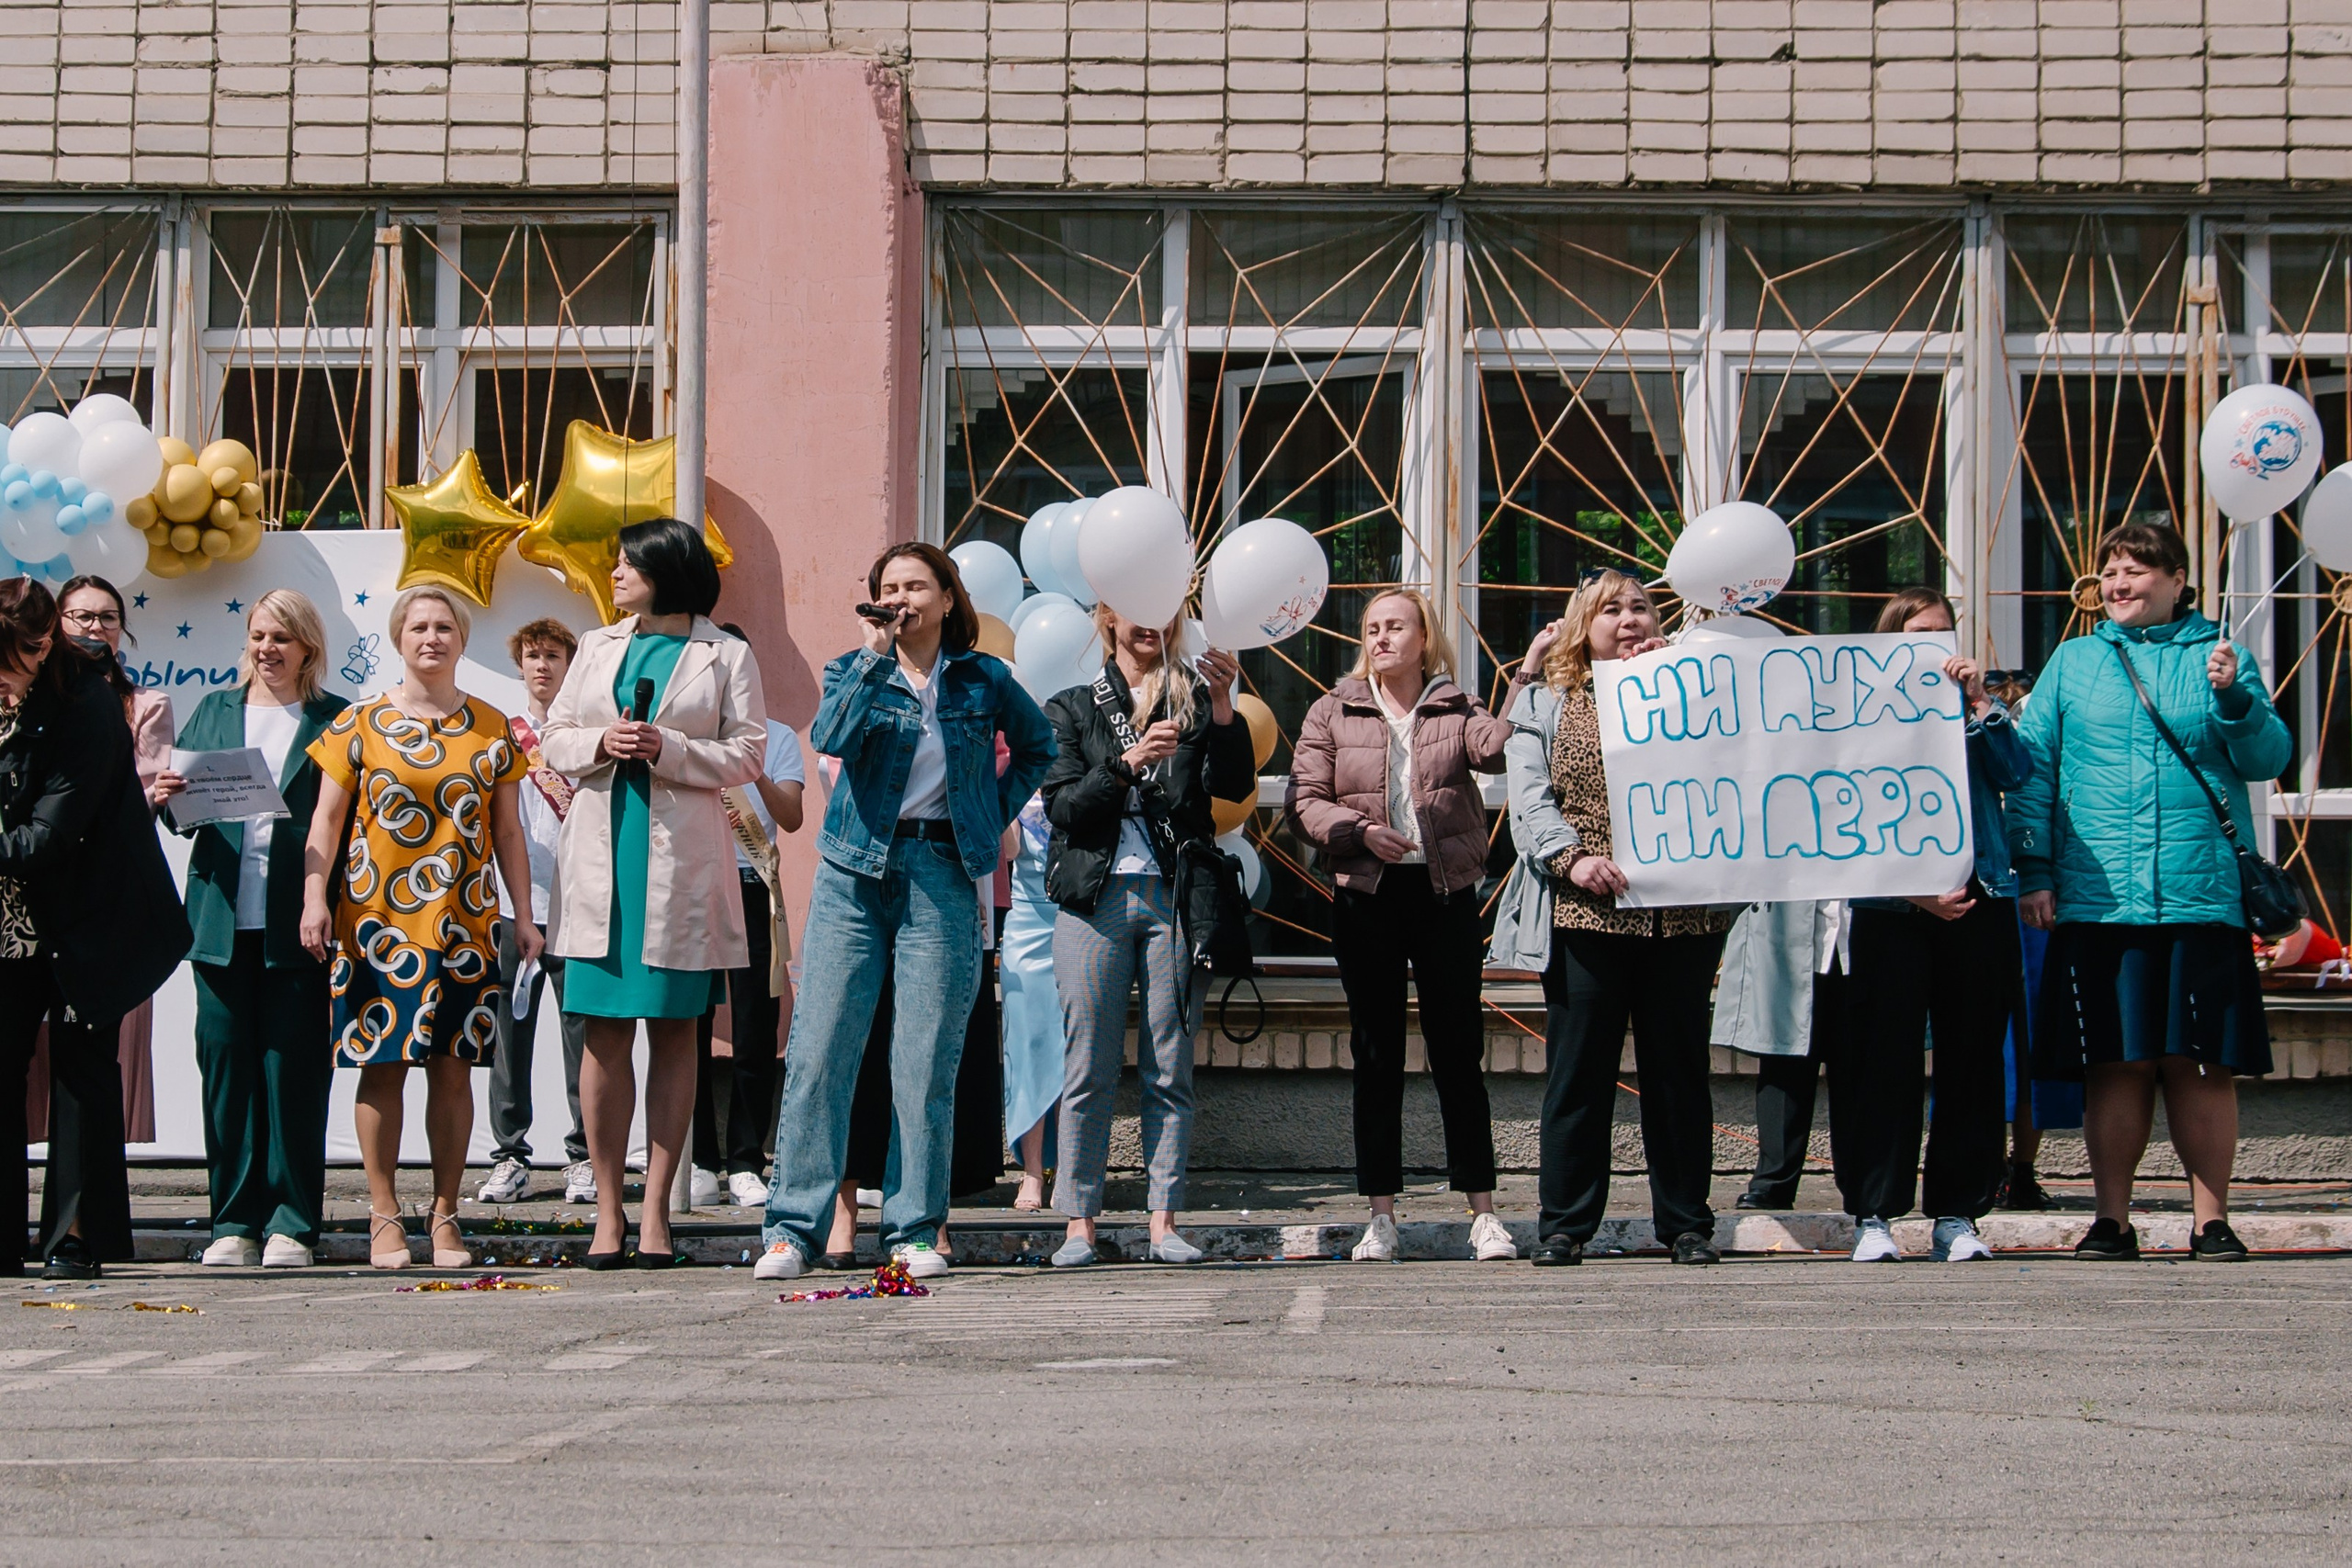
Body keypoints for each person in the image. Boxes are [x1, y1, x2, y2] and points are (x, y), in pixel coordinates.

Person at [756, 541, 1053, 1282]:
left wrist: (985, 815)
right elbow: (830, 736)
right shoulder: (852, 669)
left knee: (924, 1060)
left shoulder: (985, 678)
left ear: (948, 599)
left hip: (941, 870)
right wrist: (871, 656)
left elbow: (1039, 747)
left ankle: (914, 1227)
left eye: (916, 585)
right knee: (821, 1050)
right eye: (889, 586)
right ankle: (791, 1230)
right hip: (853, 873)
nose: (901, 598)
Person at [2007, 523, 2291, 1262]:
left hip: (2200, 897)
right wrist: (2035, 870)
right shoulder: (2075, 661)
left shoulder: (2219, 656)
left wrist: (2235, 698)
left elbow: (2268, 757)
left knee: (2201, 1065)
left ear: (2177, 581)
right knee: (2116, 1062)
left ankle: (2211, 1221)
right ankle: (2112, 1220)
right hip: (2100, 900)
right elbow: (2032, 771)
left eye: (2135, 570)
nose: (2118, 584)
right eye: (2110, 572)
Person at [539, 517, 767, 1269]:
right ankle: (608, 1210)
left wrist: (670, 747)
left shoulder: (726, 652)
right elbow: (555, 734)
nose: (614, 575)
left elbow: (749, 753)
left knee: (675, 1034)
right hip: (604, 854)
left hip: (679, 865)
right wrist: (599, 742)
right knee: (603, 1035)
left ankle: (657, 1210)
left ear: (666, 570)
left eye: (626, 564)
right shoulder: (596, 644)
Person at [1489, 570, 1729, 1268]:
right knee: (1579, 1076)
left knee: (1678, 1076)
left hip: (1680, 921)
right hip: (1586, 915)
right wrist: (1571, 859)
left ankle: (1686, 1224)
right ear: (1582, 626)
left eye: (1640, 606)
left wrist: (1677, 683)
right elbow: (1530, 797)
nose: (1629, 618)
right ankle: (1565, 1225)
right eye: (1611, 609)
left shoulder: (1693, 691)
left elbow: (1731, 769)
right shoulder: (1548, 699)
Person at [300, 585, 538, 1270]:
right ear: (399, 638)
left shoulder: (492, 728)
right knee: (381, 1068)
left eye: (443, 627)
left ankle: (445, 1215)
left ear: (462, 639)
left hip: (464, 925)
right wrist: (314, 897)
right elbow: (326, 820)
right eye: (418, 627)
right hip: (378, 925)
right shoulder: (360, 722)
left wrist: (524, 915)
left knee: (453, 1073)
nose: (431, 638)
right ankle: (382, 1214)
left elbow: (509, 832)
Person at [1288, 588, 1527, 1264]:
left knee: (1458, 1052)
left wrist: (1527, 679)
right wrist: (1360, 831)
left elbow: (1495, 752)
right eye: (1372, 628)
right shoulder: (1332, 709)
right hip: (1367, 895)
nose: (1381, 638)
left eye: (1395, 626)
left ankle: (1483, 1214)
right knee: (1376, 1055)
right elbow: (1305, 801)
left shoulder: (1455, 705)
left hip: (1444, 894)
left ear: (1425, 638)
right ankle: (1381, 1217)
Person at [1042, 604, 1250, 1269]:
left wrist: (1224, 708)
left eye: (1161, 609)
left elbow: (1234, 786)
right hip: (1093, 897)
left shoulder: (1194, 699)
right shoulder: (1073, 706)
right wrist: (1127, 763)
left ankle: (1164, 1221)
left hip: (1174, 896)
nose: (1148, 623)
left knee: (1170, 1061)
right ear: (1107, 616)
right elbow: (1062, 806)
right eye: (1134, 608)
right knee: (1088, 1063)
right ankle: (1080, 1222)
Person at [1835, 587, 2033, 1263]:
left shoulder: (1973, 705)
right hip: (1892, 908)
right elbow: (1842, 812)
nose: (1934, 646)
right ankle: (1874, 1213)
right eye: (1918, 634)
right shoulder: (1856, 710)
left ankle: (1957, 1211)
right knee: (1883, 1060)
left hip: (1978, 896)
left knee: (1972, 1059)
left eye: (1944, 633)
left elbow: (2018, 773)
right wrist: (1911, 890)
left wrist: (1980, 704)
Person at [0, 578, 191, 1280]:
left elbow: (54, 831)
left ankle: (74, 1237)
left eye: (11, 664)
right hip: (10, 915)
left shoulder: (86, 697)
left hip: (89, 909)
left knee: (82, 1072)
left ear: (42, 644)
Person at [164, 591, 347, 1268]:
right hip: (218, 920)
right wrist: (170, 799)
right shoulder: (215, 710)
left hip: (296, 925)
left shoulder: (335, 718)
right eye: (259, 636)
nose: (268, 649)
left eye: (282, 638)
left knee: (292, 1073)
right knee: (225, 1069)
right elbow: (180, 816)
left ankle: (292, 1224)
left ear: (307, 647)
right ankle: (233, 1223)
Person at [44, 576, 171, 1150]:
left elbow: (139, 804)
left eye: (108, 618)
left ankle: (87, 1200)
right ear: (56, 624)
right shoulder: (35, 699)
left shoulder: (145, 705)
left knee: (90, 1059)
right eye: (81, 617)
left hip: (106, 898)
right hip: (39, 894)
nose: (95, 628)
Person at [476, 618, 596, 1209]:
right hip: (511, 908)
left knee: (584, 1037)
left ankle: (585, 1156)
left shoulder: (588, 733)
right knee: (509, 1035)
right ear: (519, 665)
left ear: (570, 665)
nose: (542, 665)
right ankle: (509, 1154)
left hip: (579, 909)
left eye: (552, 655)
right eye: (531, 656)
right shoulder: (504, 735)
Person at [691, 622, 806, 1211]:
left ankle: (744, 1159)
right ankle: (698, 1159)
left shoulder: (777, 736)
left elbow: (792, 817)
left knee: (755, 1027)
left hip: (751, 884)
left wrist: (751, 762)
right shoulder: (684, 735)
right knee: (686, 1021)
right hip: (692, 889)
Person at [1711, 899, 1849, 1211]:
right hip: (1785, 930)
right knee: (1783, 1061)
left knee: (1860, 1068)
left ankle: (1863, 1188)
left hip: (1858, 931)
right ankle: (1773, 1181)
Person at [999, 795, 1061, 1211]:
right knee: (1027, 1046)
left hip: (1080, 910)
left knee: (1076, 1048)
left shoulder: (1083, 765)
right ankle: (1033, 1172)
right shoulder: (1017, 772)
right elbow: (1008, 850)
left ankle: (1072, 1169)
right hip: (1026, 916)